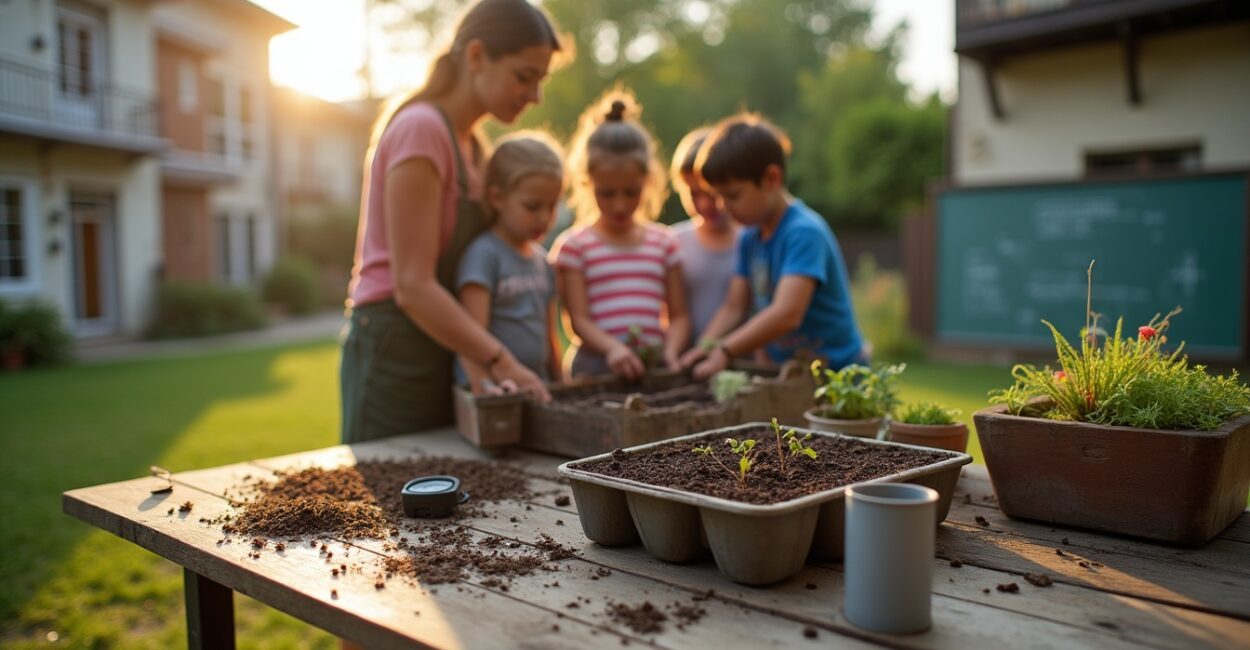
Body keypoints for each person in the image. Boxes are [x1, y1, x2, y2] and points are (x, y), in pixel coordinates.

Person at [340, 0, 561, 443]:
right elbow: (413, 285)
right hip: (396, 347)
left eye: (541, 81)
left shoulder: (475, 149)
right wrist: (501, 361)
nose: (535, 96)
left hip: (449, 344)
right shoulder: (420, 129)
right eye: (524, 76)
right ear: (476, 56)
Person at [679, 113, 866, 380]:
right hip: (793, 377)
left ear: (771, 178)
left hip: (840, 377)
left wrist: (725, 350)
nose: (722, 207)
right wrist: (704, 348)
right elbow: (734, 307)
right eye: (717, 196)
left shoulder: (803, 233)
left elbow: (787, 313)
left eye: (732, 195)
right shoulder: (749, 237)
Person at [550, 89, 689, 379]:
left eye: (631, 192)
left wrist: (670, 352)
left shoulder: (664, 243)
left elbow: (678, 316)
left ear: (647, 182)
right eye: (607, 193)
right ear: (587, 183)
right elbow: (578, 320)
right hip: (595, 371)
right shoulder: (575, 247)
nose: (620, 204)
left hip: (651, 368)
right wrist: (613, 349)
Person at [455, 132, 564, 393]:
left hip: (536, 388)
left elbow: (550, 337)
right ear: (497, 198)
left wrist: (562, 386)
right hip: (499, 392)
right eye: (532, 206)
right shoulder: (484, 255)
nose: (544, 218)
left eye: (551, 206)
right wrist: (484, 387)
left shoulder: (542, 261)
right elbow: (469, 338)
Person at [670, 127, 741, 342]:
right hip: (689, 362)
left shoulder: (751, 238)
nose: (705, 204)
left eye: (711, 194)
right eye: (694, 194)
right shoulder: (673, 241)